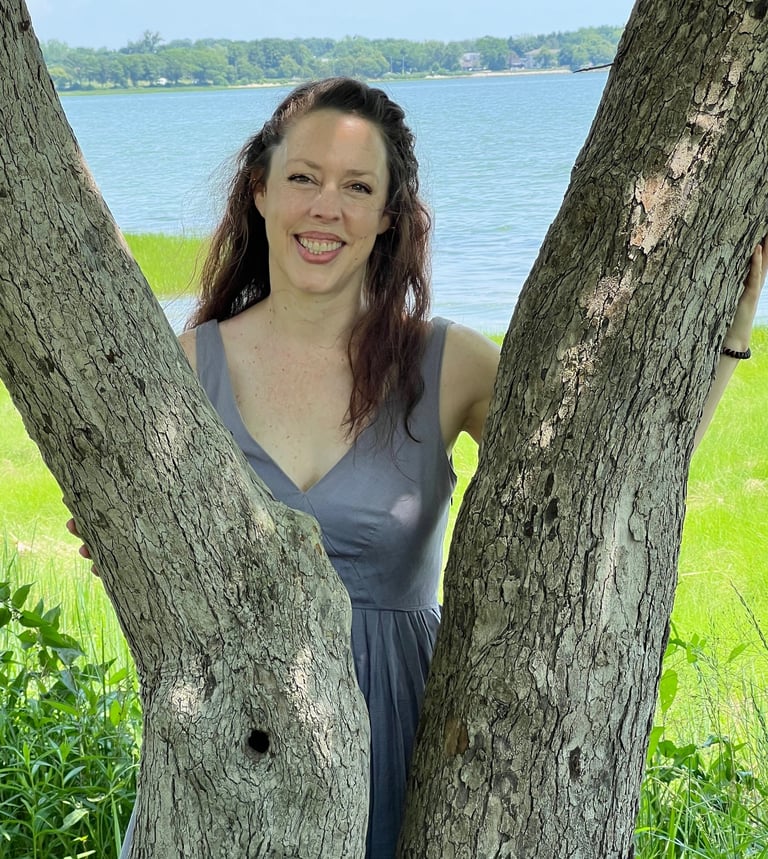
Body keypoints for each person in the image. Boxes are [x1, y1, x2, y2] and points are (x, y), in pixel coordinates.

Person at [68, 77, 766, 858]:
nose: (326, 207)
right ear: (261, 191)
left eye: (357, 187)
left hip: (399, 742)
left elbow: (612, 478)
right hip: (232, 755)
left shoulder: (446, 364)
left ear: (388, 214)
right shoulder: (189, 368)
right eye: (304, 178)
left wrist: (733, 339)